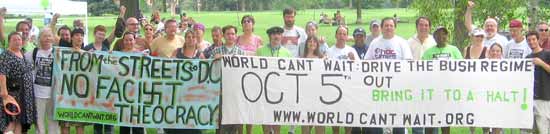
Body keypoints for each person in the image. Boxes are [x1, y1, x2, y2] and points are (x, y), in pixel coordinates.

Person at [256, 26, 292, 134]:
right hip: (264, 89)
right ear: (269, 36)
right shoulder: (260, 50)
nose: (276, 36)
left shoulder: (287, 53)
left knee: (277, 116)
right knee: (265, 116)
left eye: (278, 34)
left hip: (279, 89)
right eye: (273, 34)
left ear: (281, 36)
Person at [0, 32, 37, 134]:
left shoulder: (22, 53)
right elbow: (2, 73)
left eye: (19, 39)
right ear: (9, 42)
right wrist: (3, 91)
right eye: (14, 40)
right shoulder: (6, 55)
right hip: (13, 93)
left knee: (19, 121)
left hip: (24, 94)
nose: (17, 42)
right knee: (11, 120)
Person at [211, 25, 245, 134]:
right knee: (220, 118)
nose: (230, 36)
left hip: (235, 91)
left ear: (236, 36)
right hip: (220, 91)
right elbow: (210, 70)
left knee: (233, 119)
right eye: (228, 34)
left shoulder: (241, 52)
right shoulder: (216, 51)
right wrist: (214, 59)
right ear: (223, 35)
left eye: (233, 34)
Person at [24, 28, 58, 134]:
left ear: (53, 38)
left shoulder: (58, 52)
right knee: (39, 121)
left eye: (49, 36)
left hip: (54, 93)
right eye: (45, 36)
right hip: (37, 93)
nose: (47, 38)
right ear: (40, 38)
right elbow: (21, 62)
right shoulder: (33, 53)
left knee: (54, 121)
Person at [326, 25, 358, 134]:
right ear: (336, 35)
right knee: (335, 117)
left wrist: (353, 60)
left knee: (348, 117)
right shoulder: (330, 51)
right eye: (339, 33)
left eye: (344, 34)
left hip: (349, 89)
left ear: (347, 36)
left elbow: (359, 69)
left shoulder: (351, 50)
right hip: (334, 89)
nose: (342, 36)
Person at [59, 28, 87, 134]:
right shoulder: (63, 52)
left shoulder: (87, 54)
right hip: (66, 91)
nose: (79, 37)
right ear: (71, 38)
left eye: (81, 35)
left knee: (80, 124)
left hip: (80, 93)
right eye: (77, 35)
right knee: (65, 124)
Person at [526, 31, 550, 134]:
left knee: (543, 128)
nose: (531, 42)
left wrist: (541, 63)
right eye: (529, 40)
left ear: (538, 39)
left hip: (544, 97)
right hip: (530, 98)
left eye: (533, 39)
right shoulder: (527, 58)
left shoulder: (547, 54)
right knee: (532, 129)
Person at [300, 36, 325, 134]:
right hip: (305, 95)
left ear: (317, 44)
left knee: (319, 121)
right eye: (309, 41)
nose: (312, 43)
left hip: (319, 94)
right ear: (306, 44)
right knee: (305, 121)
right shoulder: (301, 59)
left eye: (314, 41)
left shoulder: (322, 58)